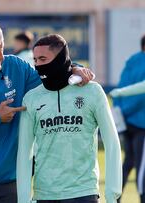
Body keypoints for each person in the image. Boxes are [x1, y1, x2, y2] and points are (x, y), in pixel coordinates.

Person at [0, 18, 94, 203]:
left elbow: (51, 75)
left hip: (11, 180)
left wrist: (76, 68)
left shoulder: (16, 67)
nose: (1, 56)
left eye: (2, 48)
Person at [16, 34, 122, 203]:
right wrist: (23, 199)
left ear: (60, 58)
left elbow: (112, 142)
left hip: (84, 192)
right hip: (44, 194)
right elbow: (24, 152)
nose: (38, 65)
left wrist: (113, 194)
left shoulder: (92, 92)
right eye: (35, 60)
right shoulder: (31, 98)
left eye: (43, 59)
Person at [112, 33, 145, 203]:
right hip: (141, 122)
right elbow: (141, 95)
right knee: (142, 166)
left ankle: (116, 197)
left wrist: (121, 113)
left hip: (126, 120)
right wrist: (129, 110)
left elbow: (120, 88)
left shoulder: (131, 60)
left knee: (128, 161)